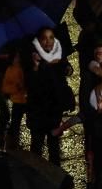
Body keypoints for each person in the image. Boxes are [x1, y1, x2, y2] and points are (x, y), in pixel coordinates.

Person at [26, 27, 75, 163]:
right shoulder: (31, 57)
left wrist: (67, 69)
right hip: (37, 109)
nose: (48, 41)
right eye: (44, 38)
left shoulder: (58, 54)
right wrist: (35, 66)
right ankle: (34, 172)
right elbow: (30, 84)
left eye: (51, 37)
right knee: (37, 144)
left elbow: (68, 70)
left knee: (54, 143)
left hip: (54, 108)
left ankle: (55, 173)